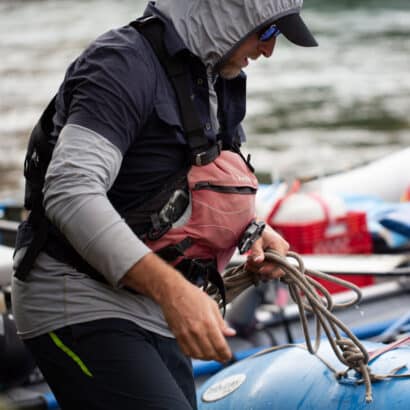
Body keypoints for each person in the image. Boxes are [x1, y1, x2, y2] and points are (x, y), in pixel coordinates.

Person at [11, 0, 317, 409]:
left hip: (152, 306)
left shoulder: (216, 75)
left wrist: (254, 230)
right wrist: (174, 292)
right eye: (267, 32)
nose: (269, 51)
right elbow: (71, 190)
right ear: (225, 13)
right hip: (78, 298)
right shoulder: (120, 65)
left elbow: (197, 184)